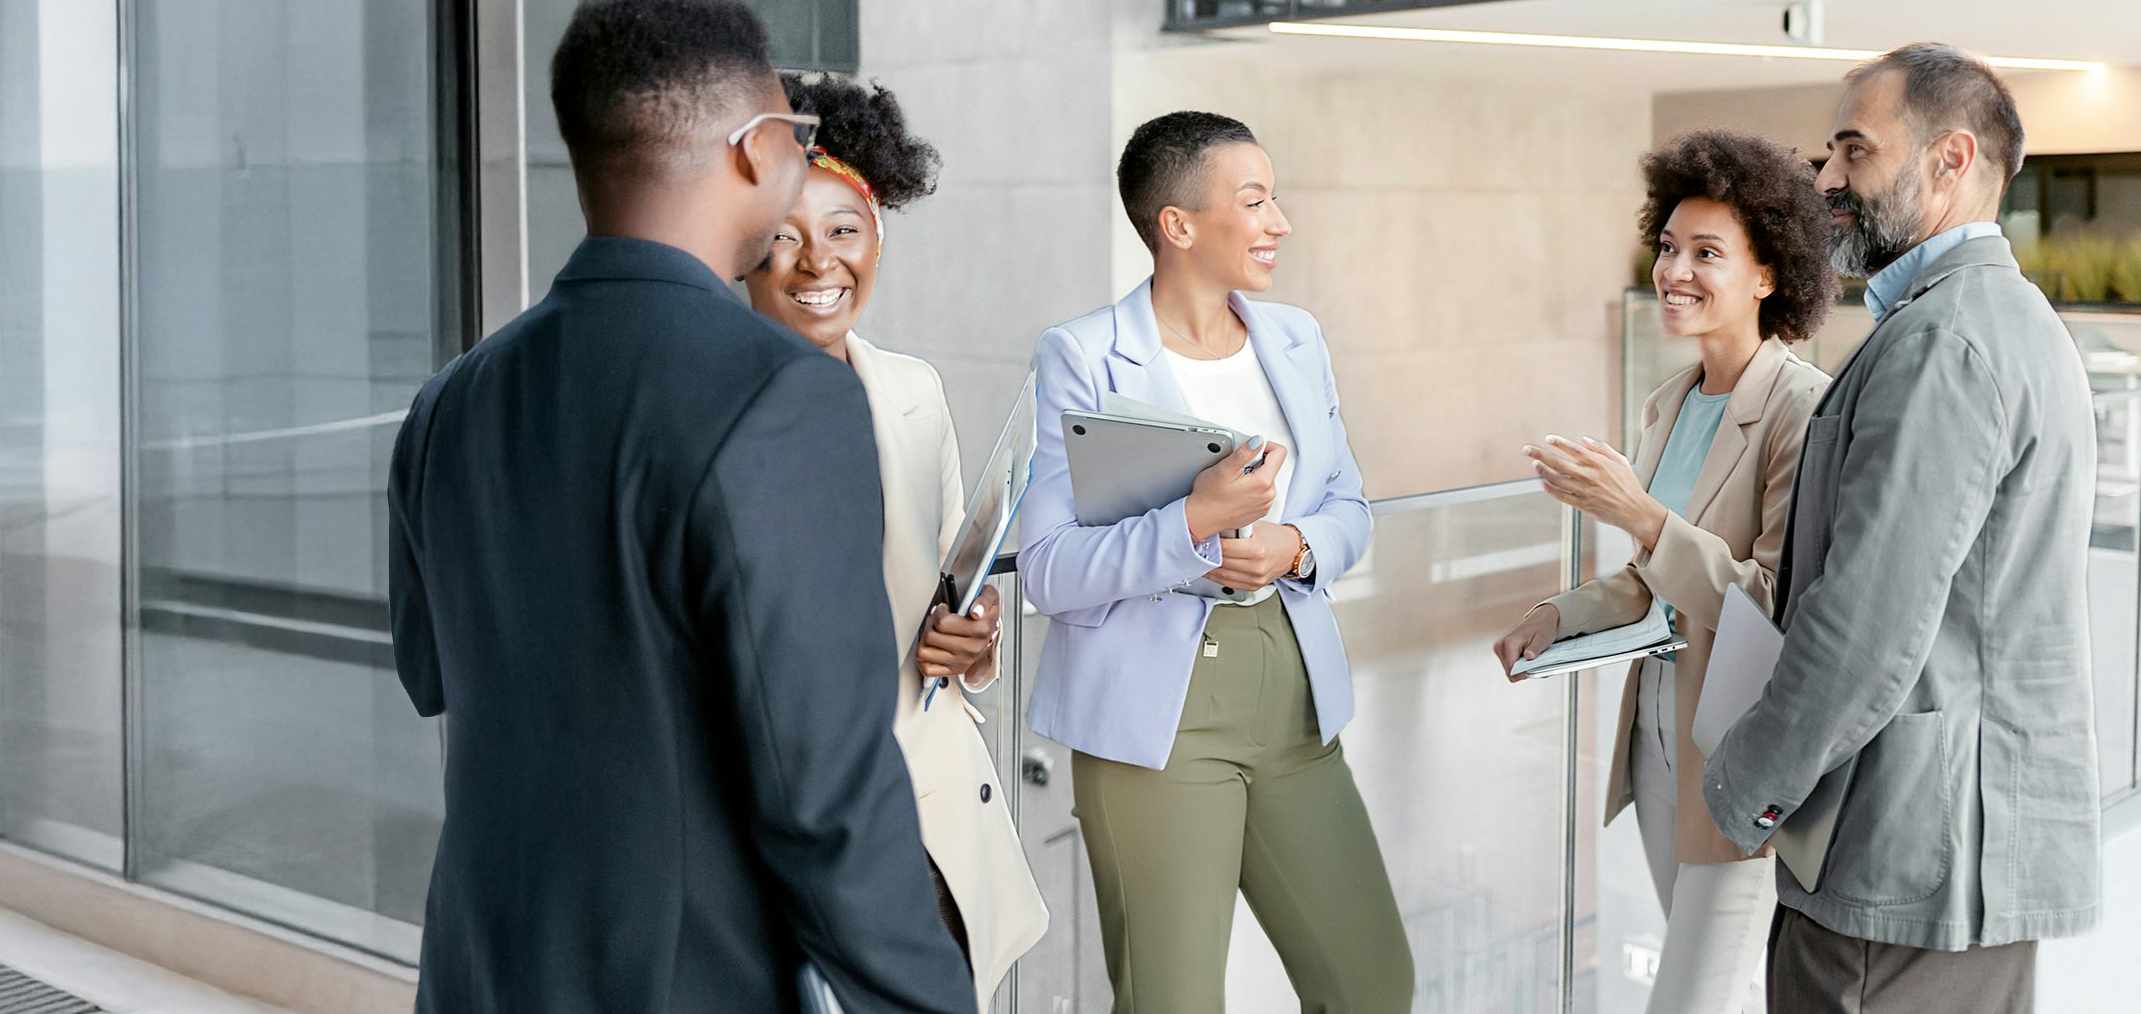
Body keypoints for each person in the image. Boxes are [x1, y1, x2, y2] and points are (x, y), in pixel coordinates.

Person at [383, 0, 974, 1014]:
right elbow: (824, 798)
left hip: (479, 971)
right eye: (794, 135)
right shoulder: (782, 394)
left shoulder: (450, 400)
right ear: (754, 147)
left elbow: (430, 672)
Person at [1700, 43, 2100, 1013]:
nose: (1826, 179)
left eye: (1853, 152)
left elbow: (1866, 626)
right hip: (1955, 855)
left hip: (1899, 870)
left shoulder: (1943, 343)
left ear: (1949, 161)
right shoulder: (1999, 321)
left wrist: (1743, 788)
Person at [1014, 111, 1413, 1013]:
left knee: (1373, 984)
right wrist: (1194, 523)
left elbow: (1350, 507)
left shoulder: (1296, 339)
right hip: (1156, 724)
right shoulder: (1082, 356)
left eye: (1275, 199)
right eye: (1256, 200)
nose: (1279, 222)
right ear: (1178, 224)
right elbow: (1045, 568)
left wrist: (1296, 545)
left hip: (1297, 708)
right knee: (1173, 1003)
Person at [1492, 130, 1838, 1014]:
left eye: (1708, 253)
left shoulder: (1802, 408)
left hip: (1739, 757)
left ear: (1769, 277)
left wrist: (1638, 512)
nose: (1675, 269)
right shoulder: (1672, 401)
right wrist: (1559, 613)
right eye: (1670, 247)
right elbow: (1651, 584)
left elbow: (1772, 601)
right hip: (1654, 745)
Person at [741, 71, 1050, 1011]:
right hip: (788, 822)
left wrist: (973, 638)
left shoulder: (913, 394)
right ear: (742, 255)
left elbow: (944, 603)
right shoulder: (710, 411)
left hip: (923, 819)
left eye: (842, 230)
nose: (817, 263)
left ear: (878, 233)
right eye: (782, 238)